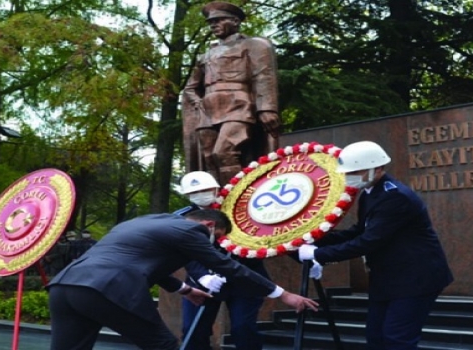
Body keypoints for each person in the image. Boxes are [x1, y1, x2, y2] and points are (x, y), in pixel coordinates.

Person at [47, 209, 318, 350]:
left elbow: (143, 264)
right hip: (108, 289)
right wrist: (282, 294)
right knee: (163, 345)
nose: (216, 242)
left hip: (65, 286)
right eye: (219, 236)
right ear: (210, 226)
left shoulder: (143, 223)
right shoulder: (191, 231)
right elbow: (228, 266)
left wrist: (186, 289)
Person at [297, 140, 453, 350]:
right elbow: (359, 230)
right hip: (389, 278)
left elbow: (369, 241)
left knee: (397, 339)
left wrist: (320, 254)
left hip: (415, 279)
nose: (349, 177)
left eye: (356, 171)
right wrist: (316, 239)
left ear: (376, 169)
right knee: (376, 336)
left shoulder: (395, 197)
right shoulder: (370, 193)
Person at [182, 1, 280, 185]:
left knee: (224, 152)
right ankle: (215, 206)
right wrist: (198, 103)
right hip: (208, 111)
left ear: (235, 21)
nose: (213, 25)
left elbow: (263, 76)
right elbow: (190, 87)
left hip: (238, 105)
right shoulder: (206, 55)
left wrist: (267, 109)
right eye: (211, 22)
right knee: (209, 157)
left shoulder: (254, 45)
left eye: (219, 20)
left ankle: (236, 200)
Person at [175, 171, 270, 350]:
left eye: (206, 189)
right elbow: (181, 250)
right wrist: (202, 276)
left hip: (243, 278)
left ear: (217, 188)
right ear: (187, 195)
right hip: (203, 281)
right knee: (193, 331)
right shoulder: (181, 218)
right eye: (194, 192)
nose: (200, 194)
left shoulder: (242, 209)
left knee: (243, 329)